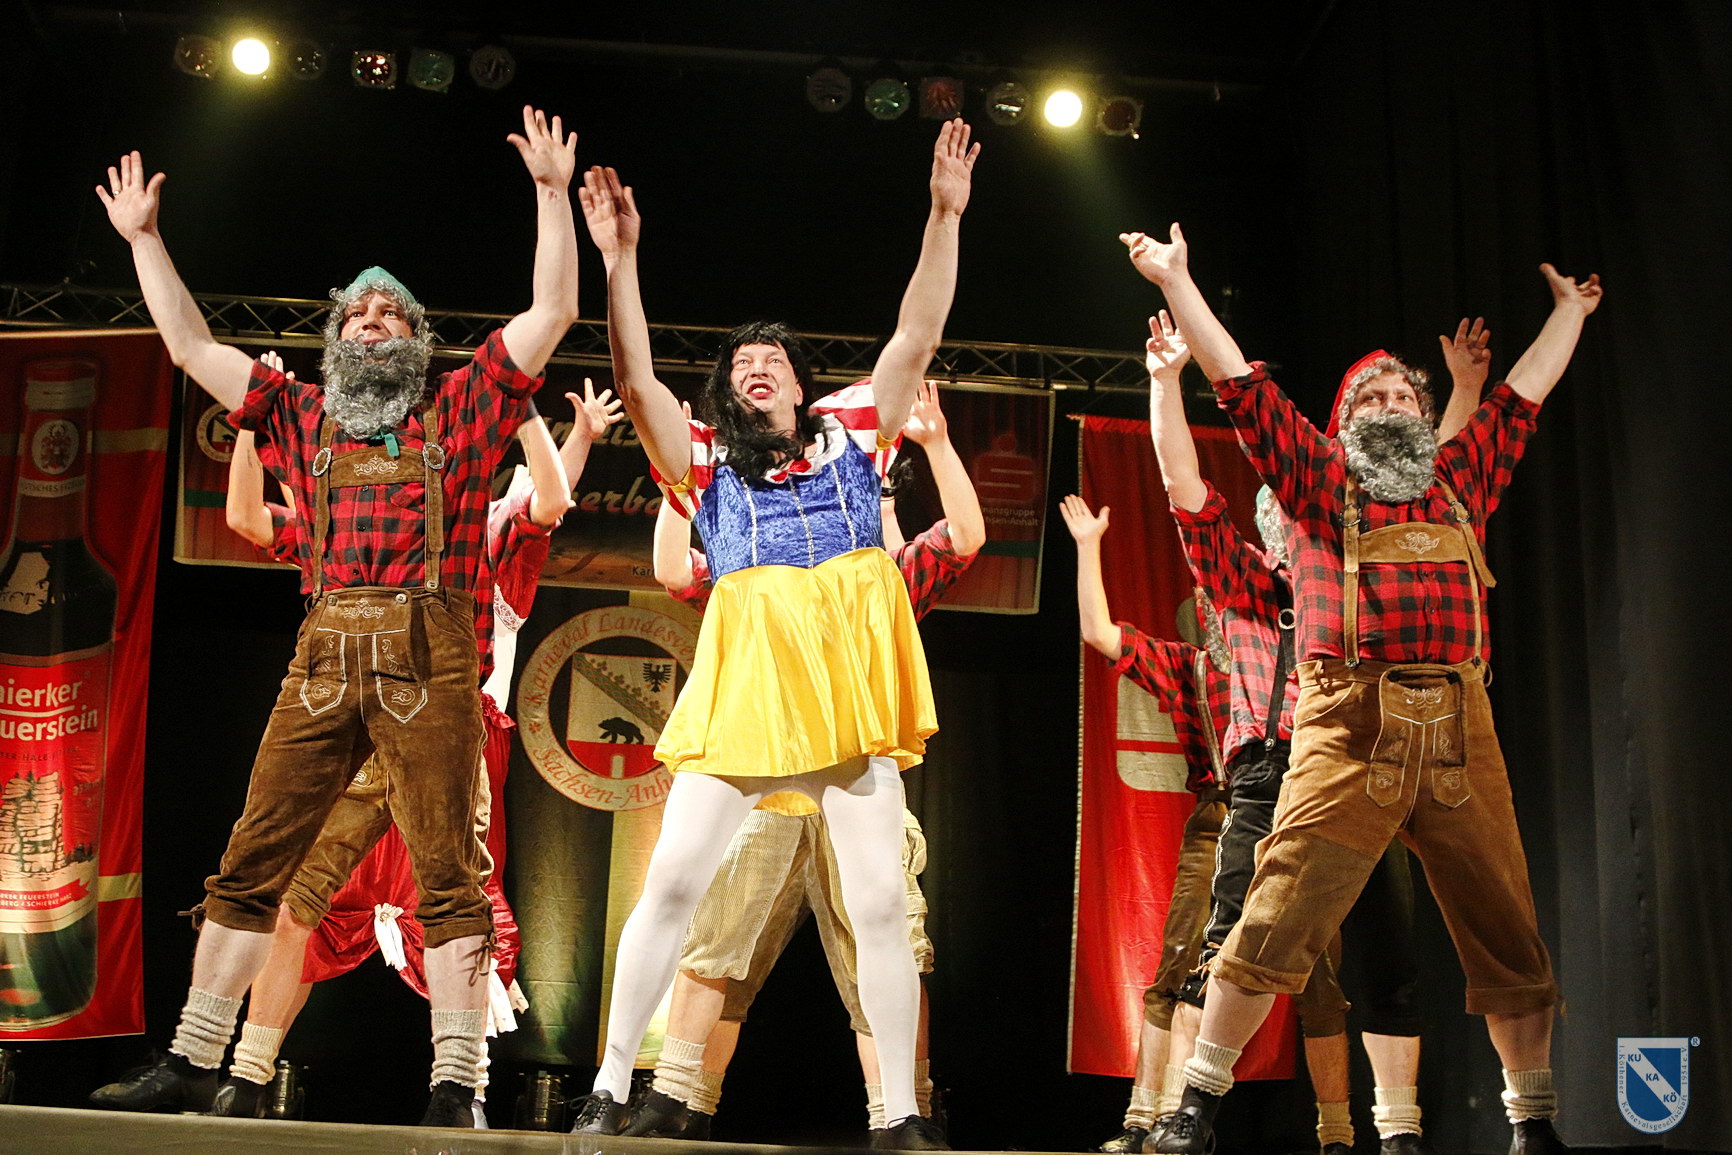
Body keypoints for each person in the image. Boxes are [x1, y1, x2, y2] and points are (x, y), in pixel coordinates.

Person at [86, 105, 581, 1127]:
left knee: (449, 871)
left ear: (417, 340)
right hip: (323, 652)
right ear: (335, 337)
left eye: (392, 314)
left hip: (432, 652)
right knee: (254, 856)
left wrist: (548, 194)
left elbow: (553, 309)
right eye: (358, 314)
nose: (373, 320)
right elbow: (188, 344)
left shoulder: (465, 404)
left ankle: (457, 1083)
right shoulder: (294, 412)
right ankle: (195, 1055)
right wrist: (144, 240)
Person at [1120, 222, 1601, 1155]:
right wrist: (1177, 281)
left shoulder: (1460, 478)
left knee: (1506, 924)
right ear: (1342, 422)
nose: (1390, 402)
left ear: (1426, 418)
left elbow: (1524, 395)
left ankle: (1532, 1120)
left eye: (1403, 394)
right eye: (1369, 396)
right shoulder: (1316, 478)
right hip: (1346, 725)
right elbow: (1239, 384)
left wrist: (1569, 316)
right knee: (1275, 911)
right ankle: (1197, 1104)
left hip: (1461, 726)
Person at [570, 118, 979, 1151]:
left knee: (879, 905)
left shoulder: (856, 432)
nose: (756, 366)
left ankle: (899, 1111)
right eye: (741, 361)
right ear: (728, 389)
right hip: (747, 697)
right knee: (672, 885)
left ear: (800, 383)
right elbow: (635, 380)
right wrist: (618, 260)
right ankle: (611, 1082)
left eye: (772, 359)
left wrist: (943, 215)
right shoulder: (703, 461)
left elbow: (916, 334)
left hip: (844, 705)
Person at [208, 382, 618, 1125]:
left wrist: (571, 430)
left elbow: (547, 500)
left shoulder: (488, 543)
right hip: (358, 724)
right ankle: (246, 1073)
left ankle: (464, 1090)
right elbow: (249, 518)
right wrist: (250, 424)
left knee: (459, 903)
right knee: (302, 898)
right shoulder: (361, 526)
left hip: (454, 733)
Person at [629, 381, 983, 1141]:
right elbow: (676, 571)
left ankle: (903, 1110)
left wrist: (938, 443)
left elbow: (966, 535)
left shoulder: (890, 577)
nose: (863, 499)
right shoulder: (758, 550)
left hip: (857, 780)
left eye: (880, 491)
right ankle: (674, 1098)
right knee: (717, 933)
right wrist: (677, 481)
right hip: (758, 781)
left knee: (888, 938)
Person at [1060, 483, 1231, 1155]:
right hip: (1221, 820)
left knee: (1321, 984)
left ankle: (1341, 1136)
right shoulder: (1194, 669)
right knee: (1178, 971)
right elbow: (1100, 634)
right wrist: (1089, 548)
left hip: (1295, 819)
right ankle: (1147, 1120)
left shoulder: (1298, 670)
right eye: (1216, 604)